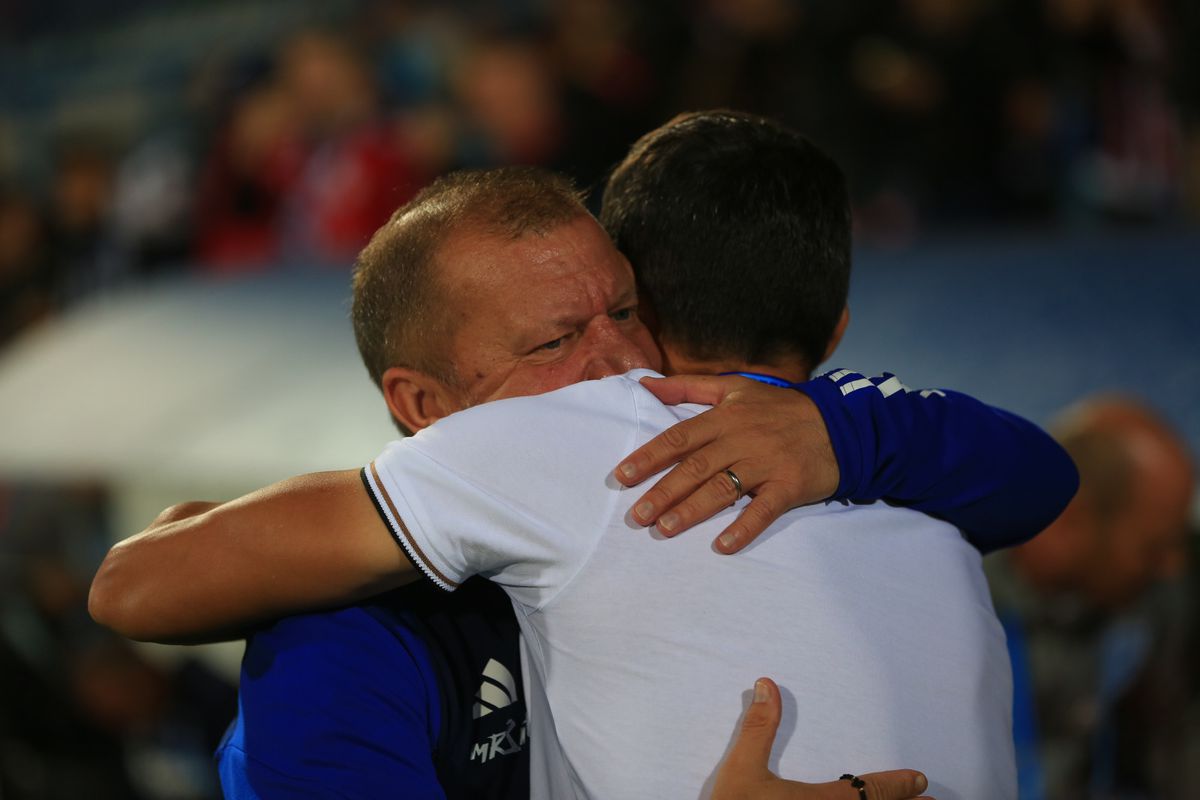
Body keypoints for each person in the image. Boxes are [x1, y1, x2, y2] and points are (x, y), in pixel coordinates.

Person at [91, 115, 1077, 797]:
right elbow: (132, 583)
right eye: (556, 342)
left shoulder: (760, 443)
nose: (619, 364)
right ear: (423, 406)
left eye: (624, 311)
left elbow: (1043, 475)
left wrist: (847, 432)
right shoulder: (345, 642)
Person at [987, 396, 1195, 800]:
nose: (1173, 567)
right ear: (1070, 519)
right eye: (1152, 549)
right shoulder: (955, 605)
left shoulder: (1157, 599)